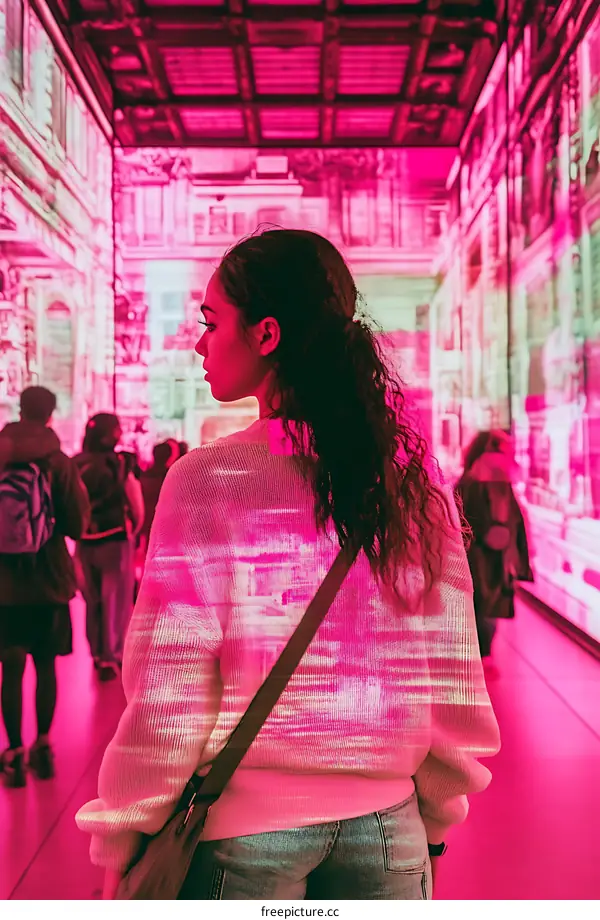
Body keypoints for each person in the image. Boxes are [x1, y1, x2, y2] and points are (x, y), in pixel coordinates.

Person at [77, 230, 500, 900]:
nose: (200, 343)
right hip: (389, 832)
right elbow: (448, 663)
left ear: (266, 333)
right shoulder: (407, 476)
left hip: (243, 837)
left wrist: (127, 834)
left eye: (212, 323)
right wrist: (436, 818)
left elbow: (172, 690)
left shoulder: (207, 478)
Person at [0, 386, 90, 786]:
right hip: (49, 580)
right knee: (46, 664)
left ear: (20, 411)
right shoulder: (59, 463)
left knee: (11, 667)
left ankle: (13, 751)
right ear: (50, 414)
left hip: (3, 584)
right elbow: (76, 524)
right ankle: (42, 745)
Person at [74, 414, 144, 682]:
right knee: (115, 598)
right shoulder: (121, 462)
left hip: (85, 540)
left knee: (93, 600)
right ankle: (112, 654)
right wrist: (134, 528)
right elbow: (135, 503)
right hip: (115, 538)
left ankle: (96, 652)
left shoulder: (75, 463)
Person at [455, 429, 533, 659]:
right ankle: (481, 656)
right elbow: (502, 527)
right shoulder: (491, 482)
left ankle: (478, 655)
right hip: (488, 558)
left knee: (480, 607)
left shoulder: (469, 479)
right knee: (486, 608)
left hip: (475, 556)